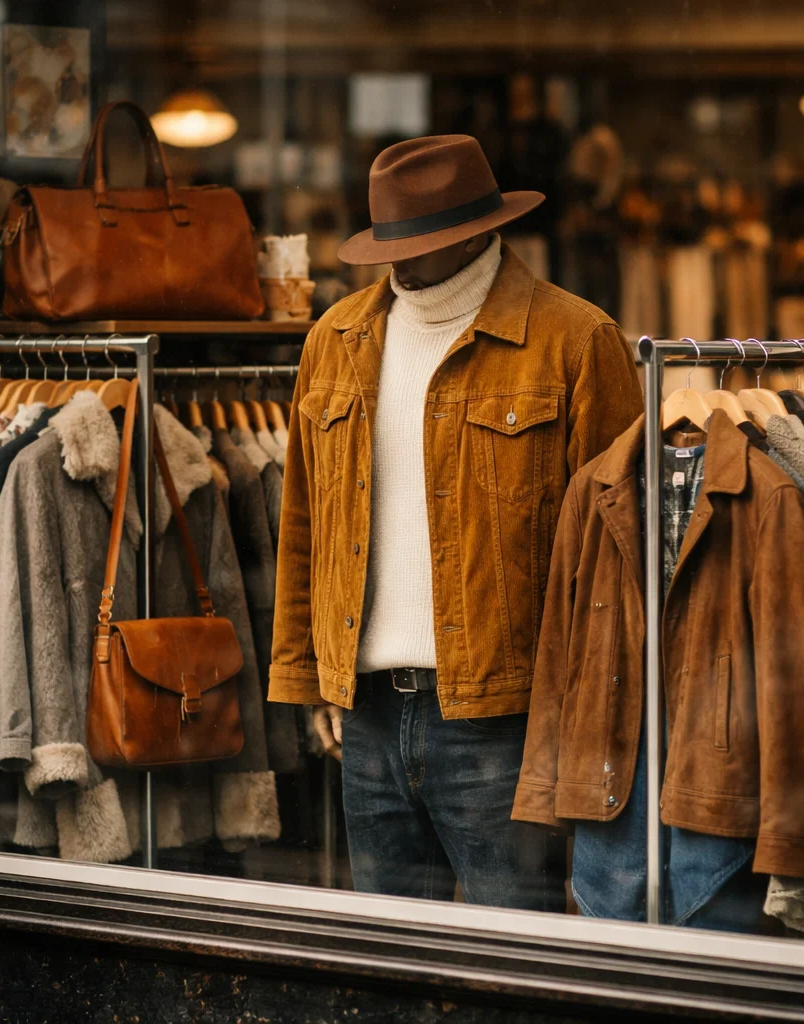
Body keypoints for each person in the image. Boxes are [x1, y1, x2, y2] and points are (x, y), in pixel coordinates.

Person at [270, 134, 642, 909]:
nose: (401, 262)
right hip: (365, 715)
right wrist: (313, 681)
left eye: (425, 240)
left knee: (517, 970)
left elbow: (617, 556)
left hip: (504, 719)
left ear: (480, 231)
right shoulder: (335, 341)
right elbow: (304, 520)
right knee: (390, 970)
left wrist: (587, 717)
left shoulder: (575, 341)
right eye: (391, 241)